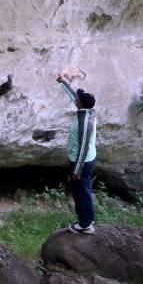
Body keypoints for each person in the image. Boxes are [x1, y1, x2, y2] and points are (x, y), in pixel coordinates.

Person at [56, 66, 97, 234]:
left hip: (82, 162)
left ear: (81, 103)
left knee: (81, 192)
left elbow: (83, 148)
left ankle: (85, 225)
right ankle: (87, 220)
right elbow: (74, 95)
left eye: (78, 98)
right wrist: (63, 82)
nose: (76, 98)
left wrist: (77, 170)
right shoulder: (87, 111)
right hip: (86, 159)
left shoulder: (84, 123)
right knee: (83, 190)